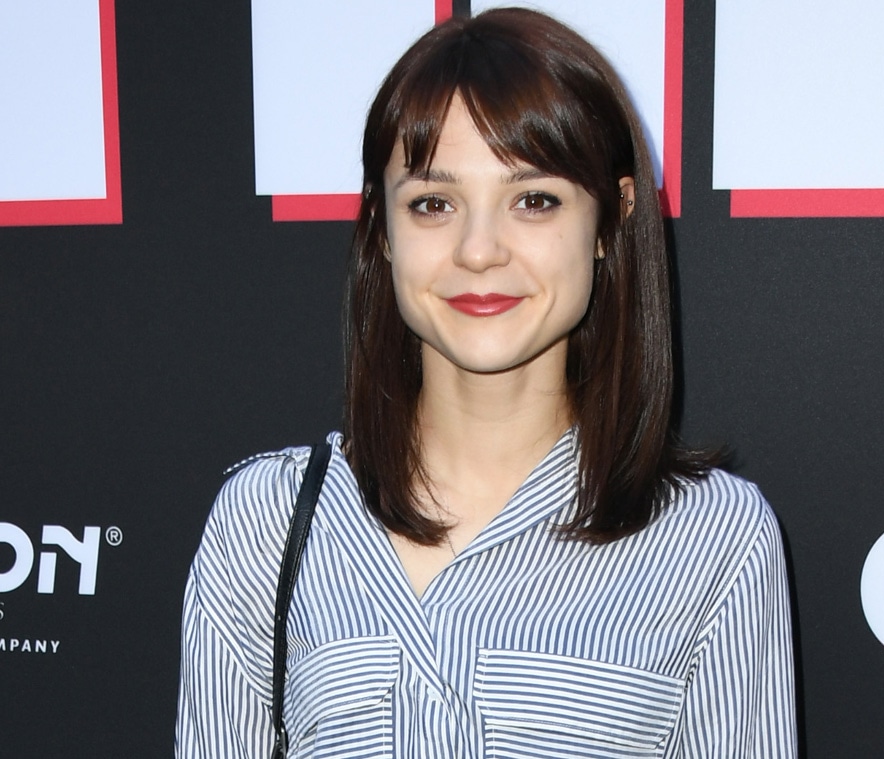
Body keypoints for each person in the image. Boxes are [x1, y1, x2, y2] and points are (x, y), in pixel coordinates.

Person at [177, 7, 796, 758]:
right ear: (382, 227)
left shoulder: (714, 539)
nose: (478, 250)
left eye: (534, 200)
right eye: (433, 204)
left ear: (611, 220)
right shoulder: (265, 525)